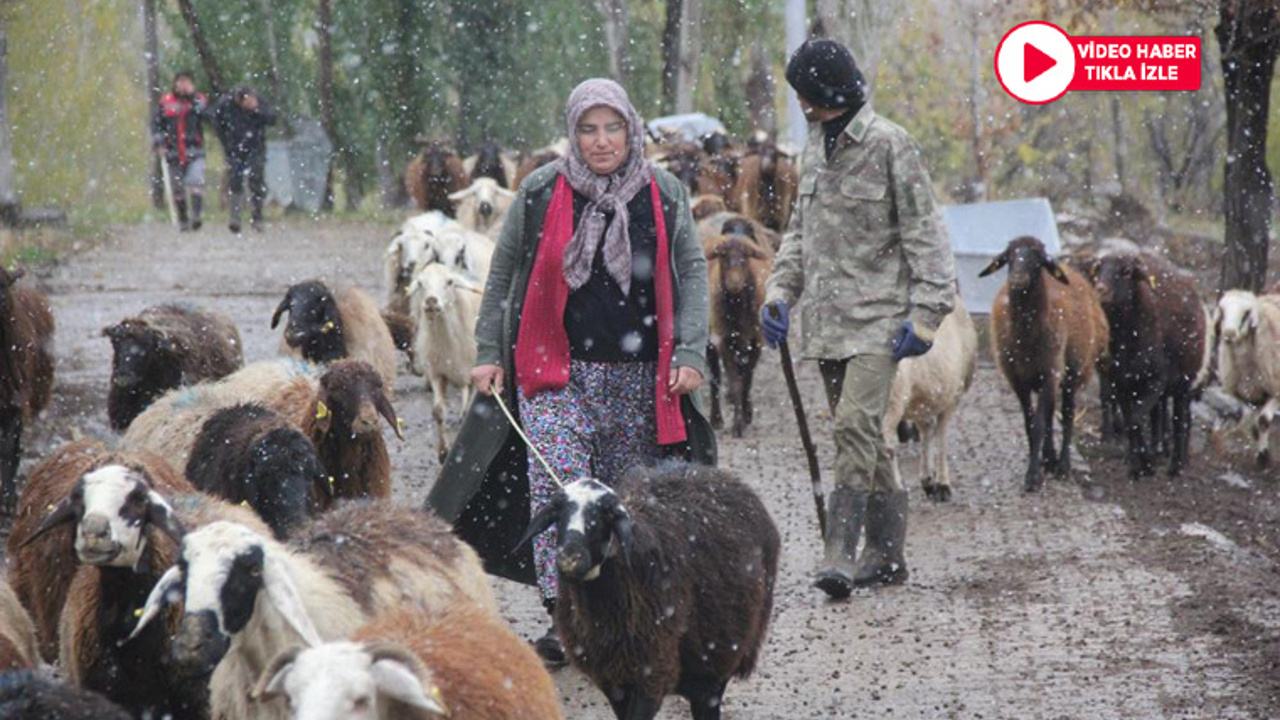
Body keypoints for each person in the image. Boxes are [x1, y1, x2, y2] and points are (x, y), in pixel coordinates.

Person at [426, 78, 716, 666]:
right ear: (573, 132)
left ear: (631, 129)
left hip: (641, 379)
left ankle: (622, 616)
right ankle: (567, 621)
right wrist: (487, 350)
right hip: (555, 369)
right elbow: (504, 273)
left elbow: (689, 271)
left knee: (624, 504)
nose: (601, 141)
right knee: (560, 491)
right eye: (589, 129)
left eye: (612, 128)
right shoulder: (540, 190)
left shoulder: (661, 192)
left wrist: (688, 353)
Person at [762, 39, 957, 600]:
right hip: (826, 326)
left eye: (806, 94)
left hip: (880, 321)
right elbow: (799, 234)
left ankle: (839, 555)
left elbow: (927, 236)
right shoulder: (813, 151)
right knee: (866, 436)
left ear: (828, 92)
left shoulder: (892, 145)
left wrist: (926, 317)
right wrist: (779, 292)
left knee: (853, 428)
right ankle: (889, 555)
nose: (802, 105)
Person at [214, 86, 276, 233]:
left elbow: (272, 118)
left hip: (256, 147)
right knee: (235, 180)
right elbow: (217, 124)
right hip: (234, 148)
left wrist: (256, 110)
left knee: (256, 178)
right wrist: (226, 144)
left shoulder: (259, 102)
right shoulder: (226, 105)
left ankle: (257, 217)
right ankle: (235, 217)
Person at [152, 71, 210, 231]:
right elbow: (157, 124)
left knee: (196, 182)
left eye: (186, 82)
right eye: (180, 81)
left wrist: (193, 101)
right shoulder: (166, 102)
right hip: (173, 151)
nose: (183, 85)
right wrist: (159, 143)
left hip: (194, 149)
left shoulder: (199, 101)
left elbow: (209, 117)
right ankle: (183, 219)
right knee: (177, 188)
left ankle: (196, 216)